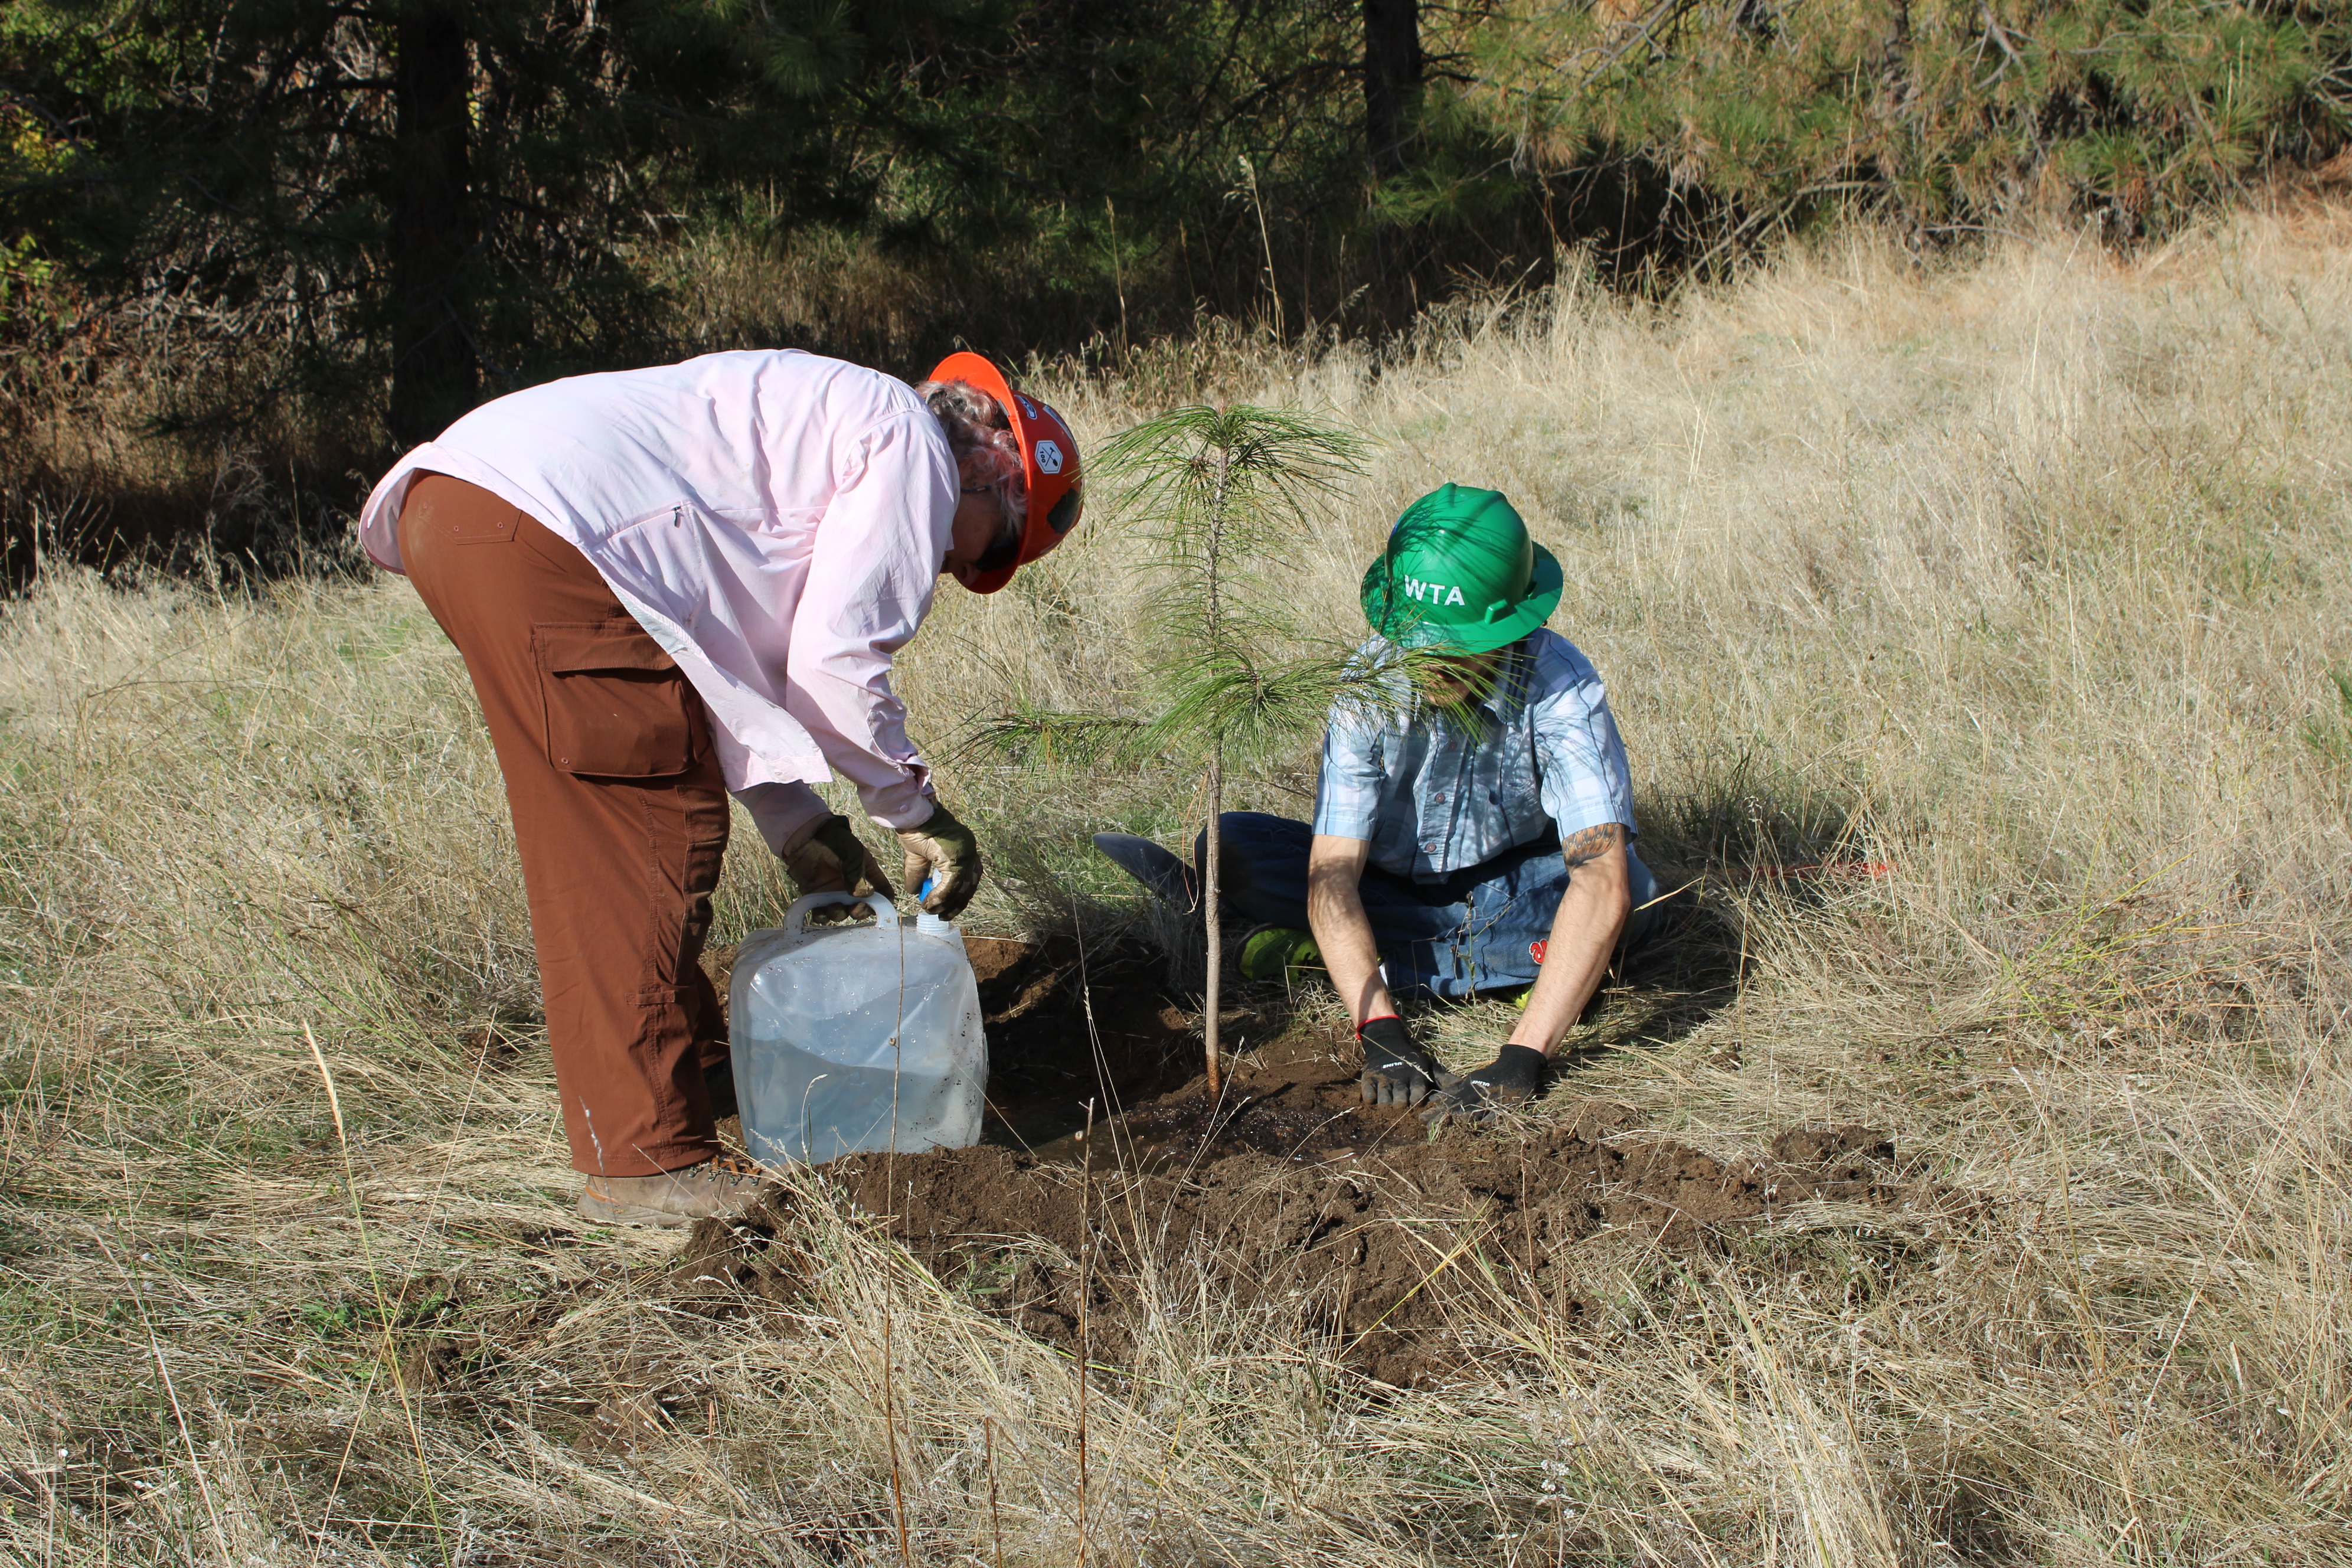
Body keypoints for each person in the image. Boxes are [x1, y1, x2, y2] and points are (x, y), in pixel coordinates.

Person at [356, 349, 1084, 1224]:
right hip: (538, 525)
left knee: (614, 802)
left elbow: (720, 669)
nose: (958, 575)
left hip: (475, 509)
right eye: (992, 552)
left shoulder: (833, 429)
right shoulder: (912, 445)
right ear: (993, 473)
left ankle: (702, 1067)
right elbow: (836, 666)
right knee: (644, 838)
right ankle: (645, 1163)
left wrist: (799, 823)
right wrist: (915, 812)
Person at [1095, 482, 1658, 1125]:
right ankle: (1501, 967)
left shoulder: (1561, 687)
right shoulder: (1368, 688)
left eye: (1455, 647)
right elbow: (1334, 871)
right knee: (1231, 844)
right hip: (1390, 891)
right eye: (1418, 642)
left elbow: (1599, 874)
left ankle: (1355, 957)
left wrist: (1522, 1057)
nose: (1431, 662)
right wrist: (1380, 1030)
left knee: (1630, 893)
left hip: (1513, 884)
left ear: (1508, 626)